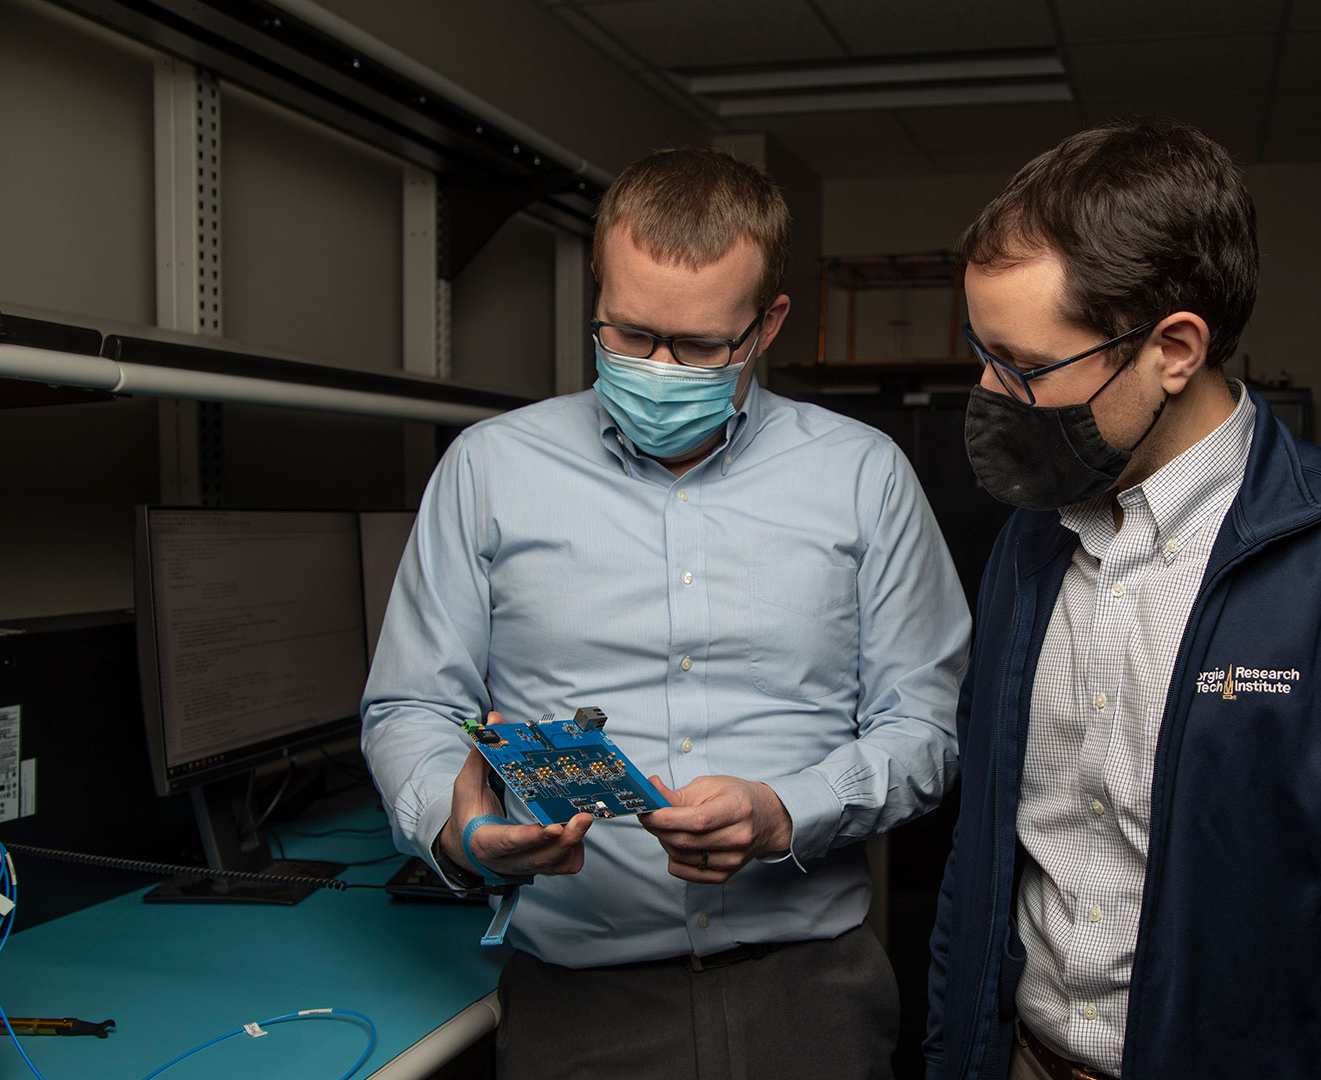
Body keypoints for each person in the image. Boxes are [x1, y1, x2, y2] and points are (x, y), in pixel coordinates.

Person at [924, 119, 1321, 1080]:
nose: (990, 392)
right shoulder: (1028, 543)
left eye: (1025, 366)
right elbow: (986, 851)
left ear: (1174, 348)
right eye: (981, 351)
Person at [362, 146, 970, 1080]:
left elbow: (924, 729)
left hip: (809, 994)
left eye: (695, 347)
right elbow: (409, 707)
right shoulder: (490, 470)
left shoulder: (863, 475)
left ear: (767, 325)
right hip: (577, 1002)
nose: (655, 368)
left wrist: (783, 812)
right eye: (628, 335)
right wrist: (459, 828)